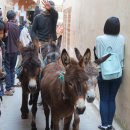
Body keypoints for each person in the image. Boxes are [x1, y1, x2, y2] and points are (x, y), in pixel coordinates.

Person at [95, 17, 125, 130]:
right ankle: (110, 125)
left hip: (103, 72)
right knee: (111, 99)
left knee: (104, 98)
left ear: (106, 26)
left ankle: (104, 125)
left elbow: (98, 55)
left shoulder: (99, 39)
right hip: (118, 72)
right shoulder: (122, 38)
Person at [4, 10, 19, 96]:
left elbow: (5, 36)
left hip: (8, 50)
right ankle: (12, 87)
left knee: (7, 69)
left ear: (7, 17)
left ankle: (8, 89)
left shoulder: (7, 25)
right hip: (15, 51)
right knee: (12, 69)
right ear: (14, 17)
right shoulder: (17, 26)